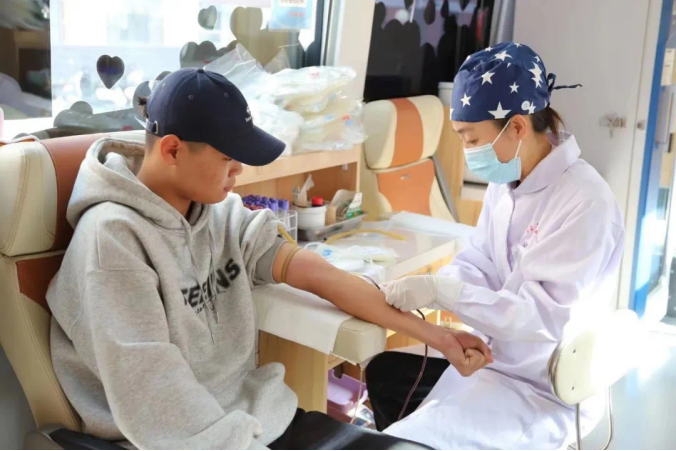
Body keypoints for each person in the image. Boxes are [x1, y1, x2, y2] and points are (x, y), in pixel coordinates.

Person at [46, 68, 493, 451]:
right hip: (177, 438)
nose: (238, 171)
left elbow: (320, 275)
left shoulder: (223, 215)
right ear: (173, 150)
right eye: (228, 157)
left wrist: (437, 335)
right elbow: (153, 393)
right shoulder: (112, 240)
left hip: (260, 419)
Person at [366, 42, 625, 450]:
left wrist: (442, 292)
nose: (468, 152)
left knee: (408, 440)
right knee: (386, 376)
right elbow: (479, 260)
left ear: (517, 127)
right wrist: (441, 287)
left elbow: (540, 317)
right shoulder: (508, 182)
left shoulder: (586, 202)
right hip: (495, 358)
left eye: (471, 139)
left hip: (542, 385)